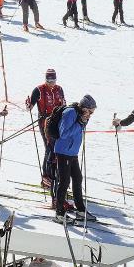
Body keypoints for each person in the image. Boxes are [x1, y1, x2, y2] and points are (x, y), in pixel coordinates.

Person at [53, 95, 97, 223]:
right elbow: (63, 133)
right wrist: (80, 122)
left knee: (78, 178)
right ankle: (59, 212)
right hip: (63, 151)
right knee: (64, 182)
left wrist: (83, 121)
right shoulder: (70, 113)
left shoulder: (80, 115)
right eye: (90, 111)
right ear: (84, 108)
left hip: (72, 152)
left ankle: (81, 210)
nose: (91, 114)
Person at [26, 69, 65, 191]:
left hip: (57, 123)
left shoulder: (59, 89)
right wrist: (28, 105)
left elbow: (63, 105)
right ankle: (45, 177)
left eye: (53, 80)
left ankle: (54, 175)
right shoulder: (39, 90)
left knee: (56, 149)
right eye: (49, 80)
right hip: (45, 122)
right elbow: (30, 107)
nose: (51, 83)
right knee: (49, 148)